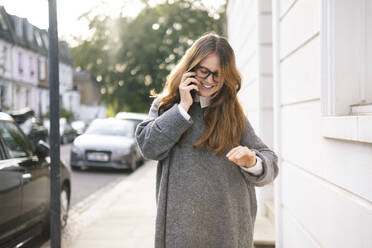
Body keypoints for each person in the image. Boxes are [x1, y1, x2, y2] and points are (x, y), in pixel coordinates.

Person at [135, 33, 279, 248]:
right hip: (182, 231)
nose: (210, 80)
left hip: (229, 229)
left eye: (218, 75)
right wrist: (182, 107)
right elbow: (148, 147)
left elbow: (270, 161)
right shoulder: (166, 106)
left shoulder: (231, 113)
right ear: (191, 67)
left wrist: (252, 162)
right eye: (205, 71)